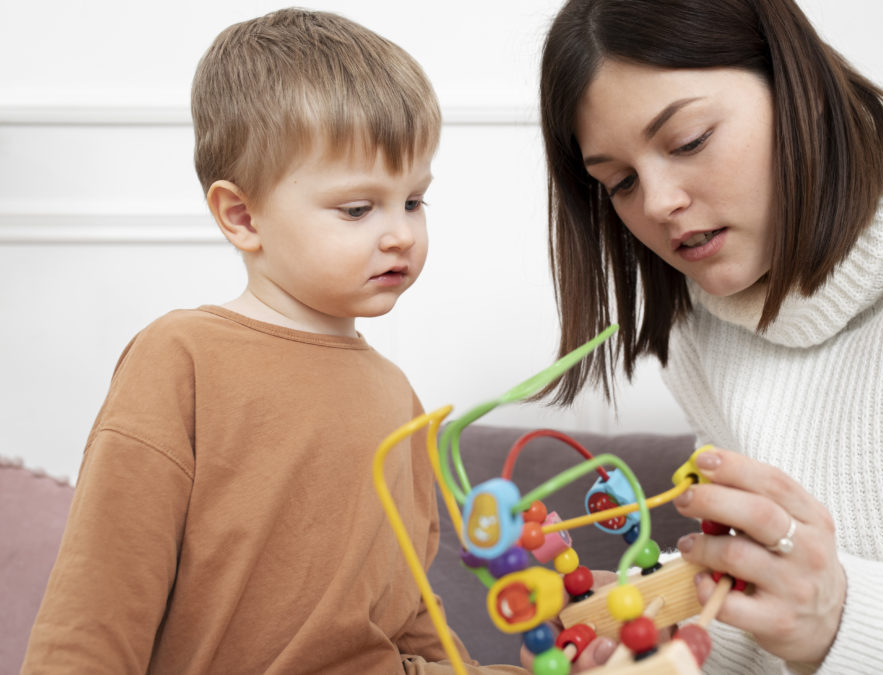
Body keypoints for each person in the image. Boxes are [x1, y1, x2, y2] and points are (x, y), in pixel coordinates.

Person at [537, 0, 883, 672]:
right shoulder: (704, 295)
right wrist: (676, 624)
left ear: (799, 81)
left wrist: (838, 613)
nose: (656, 204)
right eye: (618, 182)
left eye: (689, 141)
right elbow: (790, 591)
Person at [21, 9, 521, 674]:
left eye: (413, 201)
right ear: (242, 215)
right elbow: (100, 593)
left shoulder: (399, 398)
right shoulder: (182, 358)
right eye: (357, 208)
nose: (400, 232)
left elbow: (410, 608)